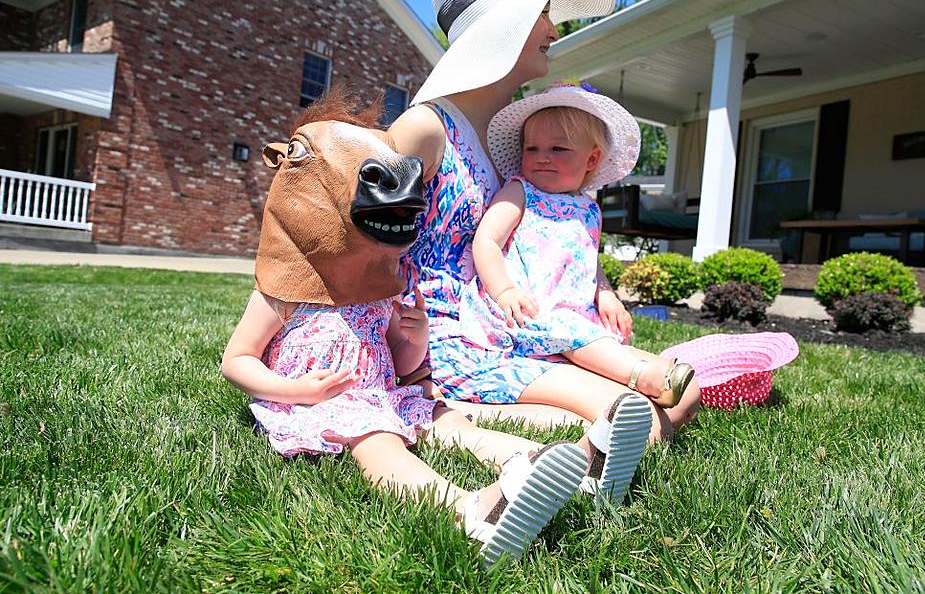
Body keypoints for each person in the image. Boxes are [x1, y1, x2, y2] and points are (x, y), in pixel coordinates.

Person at [221, 91, 653, 565]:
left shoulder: (381, 289)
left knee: (446, 420)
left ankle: (560, 468)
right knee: (376, 440)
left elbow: (402, 368)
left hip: (384, 394)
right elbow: (236, 359)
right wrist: (292, 390)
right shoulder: (284, 292)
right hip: (327, 404)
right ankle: (467, 511)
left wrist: (414, 337)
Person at [388, 0, 702, 448]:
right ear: (503, 24)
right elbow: (355, 243)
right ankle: (443, 411)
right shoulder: (425, 129)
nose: (555, 29)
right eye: (544, 13)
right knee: (634, 420)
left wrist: (598, 290)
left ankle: (491, 419)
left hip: (520, 326)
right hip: (446, 337)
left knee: (678, 399)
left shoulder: (514, 141)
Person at [460, 84, 696, 410]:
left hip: (571, 311)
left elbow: (589, 260)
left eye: (558, 149)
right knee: (575, 334)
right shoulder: (521, 192)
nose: (542, 157)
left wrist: (607, 295)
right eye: (532, 148)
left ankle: (636, 388)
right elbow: (486, 240)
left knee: (588, 337)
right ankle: (642, 376)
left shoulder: (589, 209)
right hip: (527, 308)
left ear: (592, 159)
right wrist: (504, 292)